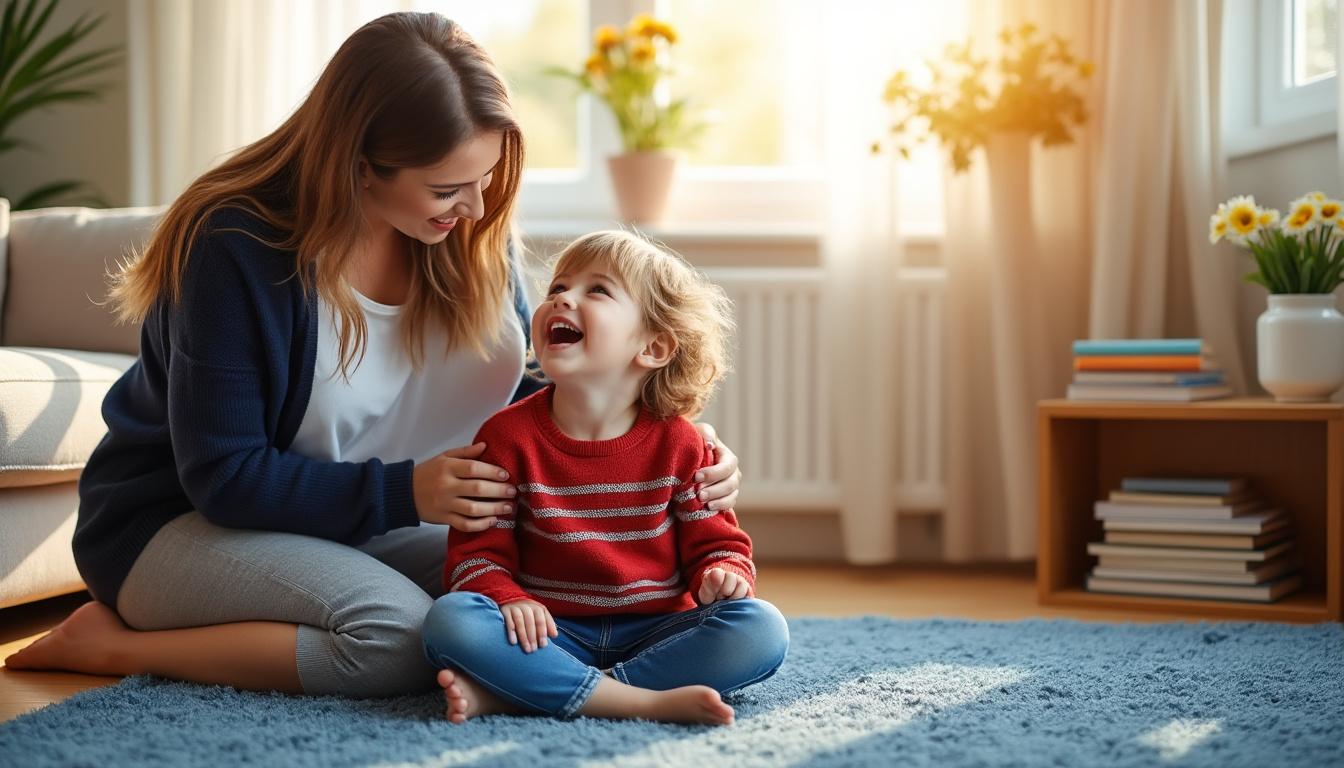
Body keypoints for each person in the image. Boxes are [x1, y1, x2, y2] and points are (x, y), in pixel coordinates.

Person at [2, 13, 742, 698]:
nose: (478, 207)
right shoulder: (236, 248)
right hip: (180, 527)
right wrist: (406, 494)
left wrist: (668, 435)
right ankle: (114, 647)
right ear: (359, 165)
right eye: (449, 187)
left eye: (485, 179)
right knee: (396, 641)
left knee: (545, 593)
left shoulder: (464, 240)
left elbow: (538, 394)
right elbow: (223, 476)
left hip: (367, 523)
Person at [421, 230, 789, 726]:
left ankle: (530, 692)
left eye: (597, 290)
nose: (562, 298)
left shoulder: (683, 444)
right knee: (451, 620)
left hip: (658, 629)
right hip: (547, 630)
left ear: (654, 347)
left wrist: (723, 577)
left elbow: (717, 548)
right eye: (557, 288)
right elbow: (475, 558)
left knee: (762, 628)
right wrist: (508, 598)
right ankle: (639, 701)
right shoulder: (506, 436)